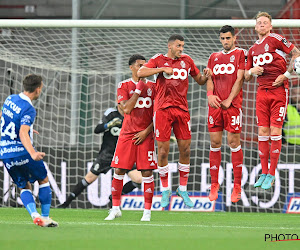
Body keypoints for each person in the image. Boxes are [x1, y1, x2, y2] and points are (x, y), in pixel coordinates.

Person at [137, 34, 210, 208]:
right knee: (162, 152)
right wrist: (161, 70)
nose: (181, 49)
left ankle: (182, 189)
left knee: (185, 149)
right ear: (170, 46)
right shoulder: (158, 59)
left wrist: (206, 76)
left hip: (182, 110)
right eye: (178, 46)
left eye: (182, 46)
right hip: (162, 110)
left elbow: (199, 80)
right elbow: (141, 73)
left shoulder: (187, 60)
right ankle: (165, 190)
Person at [244, 12, 300, 189]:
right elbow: (245, 76)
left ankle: (272, 174)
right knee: (262, 132)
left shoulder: (276, 39)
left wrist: (286, 74)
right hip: (262, 92)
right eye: (259, 22)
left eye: (265, 22)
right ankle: (264, 171)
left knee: (275, 131)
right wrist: (253, 71)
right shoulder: (252, 50)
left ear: (270, 26)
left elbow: (296, 53)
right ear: (255, 27)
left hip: (278, 91)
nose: (261, 25)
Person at [0, 74, 58, 227]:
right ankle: (45, 217)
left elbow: (3, 116)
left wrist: (28, 128)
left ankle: (34, 215)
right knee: (44, 180)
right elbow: (22, 133)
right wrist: (33, 153)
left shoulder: (10, 99)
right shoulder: (29, 109)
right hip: (22, 152)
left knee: (24, 185)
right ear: (38, 89)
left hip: (5, 152)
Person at [57, 105, 142, 209]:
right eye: (123, 102)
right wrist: (109, 125)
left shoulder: (132, 115)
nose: (125, 104)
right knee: (89, 178)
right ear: (118, 102)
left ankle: (115, 196)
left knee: (139, 179)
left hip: (124, 154)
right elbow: (97, 129)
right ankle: (65, 204)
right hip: (107, 153)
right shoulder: (111, 113)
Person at [104, 54, 157, 221]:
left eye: (145, 65)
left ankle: (147, 212)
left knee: (147, 172)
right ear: (131, 67)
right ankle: (115, 208)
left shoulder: (154, 87)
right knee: (119, 170)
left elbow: (158, 115)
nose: (143, 68)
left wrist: (146, 132)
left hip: (146, 134)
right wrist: (139, 89)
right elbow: (126, 109)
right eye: (140, 65)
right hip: (127, 134)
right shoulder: (124, 85)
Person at [206, 25, 246, 203]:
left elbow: (240, 78)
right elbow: (210, 79)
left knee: (233, 142)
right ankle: (214, 184)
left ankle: (237, 185)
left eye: (228, 38)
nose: (225, 41)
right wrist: (209, 95)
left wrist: (229, 99)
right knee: (215, 142)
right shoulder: (213, 57)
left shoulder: (240, 54)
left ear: (234, 38)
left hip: (233, 105)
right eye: (222, 38)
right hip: (215, 106)